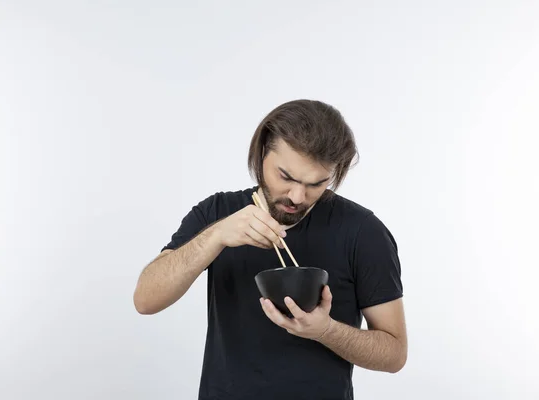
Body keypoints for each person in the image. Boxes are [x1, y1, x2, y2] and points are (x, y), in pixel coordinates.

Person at [133, 99, 408, 400]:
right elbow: (146, 300)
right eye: (285, 177)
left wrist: (325, 330)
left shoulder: (363, 232)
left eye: (316, 184)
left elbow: (394, 354)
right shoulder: (216, 212)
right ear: (262, 152)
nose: (297, 196)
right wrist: (216, 237)